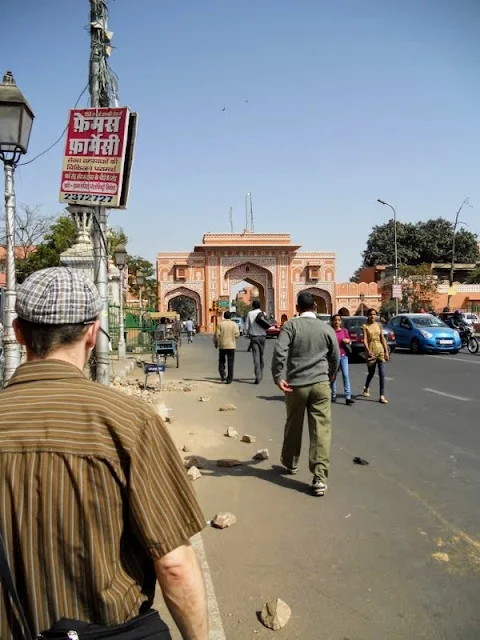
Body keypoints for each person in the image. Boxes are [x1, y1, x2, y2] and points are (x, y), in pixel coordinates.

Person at [0, 268, 208, 640]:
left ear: (18, 332)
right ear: (93, 333)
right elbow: (174, 564)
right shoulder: (129, 422)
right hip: (105, 630)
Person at [272, 292, 340, 497]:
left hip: (296, 385)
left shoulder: (291, 326)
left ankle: (291, 463)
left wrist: (278, 376)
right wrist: (329, 377)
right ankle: (319, 478)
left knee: (294, 425)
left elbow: (279, 352)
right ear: (316, 307)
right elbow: (335, 356)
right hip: (320, 383)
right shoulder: (326, 328)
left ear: (297, 307)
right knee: (321, 431)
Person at [362, 307, 389, 404]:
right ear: (368, 316)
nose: (372, 316)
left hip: (380, 350)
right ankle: (366, 386)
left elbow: (382, 338)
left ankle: (381, 395)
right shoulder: (365, 326)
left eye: (374, 314)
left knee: (382, 374)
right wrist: (368, 350)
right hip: (371, 351)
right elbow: (365, 339)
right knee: (371, 373)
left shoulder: (379, 325)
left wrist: (386, 351)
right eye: (371, 314)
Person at [330, 314, 355, 405]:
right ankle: (333, 394)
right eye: (335, 320)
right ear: (332, 321)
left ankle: (348, 396)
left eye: (339, 320)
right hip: (333, 357)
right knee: (333, 376)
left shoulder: (344, 331)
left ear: (341, 321)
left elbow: (349, 341)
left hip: (343, 356)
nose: (337, 322)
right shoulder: (330, 331)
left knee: (345, 375)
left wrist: (348, 341)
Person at [213, 311, 240, 383]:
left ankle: (222, 375)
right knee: (230, 363)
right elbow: (237, 334)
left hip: (222, 346)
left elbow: (216, 335)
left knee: (221, 361)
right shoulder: (234, 324)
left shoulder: (220, 324)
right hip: (231, 346)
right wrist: (233, 338)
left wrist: (215, 343)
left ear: (224, 316)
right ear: (230, 316)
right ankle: (229, 379)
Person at [245, 299, 267, 384]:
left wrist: (247, 333)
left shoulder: (250, 314)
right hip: (263, 337)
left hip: (254, 337)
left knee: (256, 357)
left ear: (253, 306)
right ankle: (261, 372)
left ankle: (258, 376)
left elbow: (247, 326)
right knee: (261, 355)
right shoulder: (263, 313)